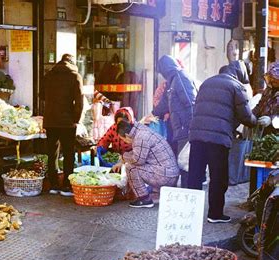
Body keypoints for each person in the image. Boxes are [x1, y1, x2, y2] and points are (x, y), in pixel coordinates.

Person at [187, 61, 271, 223]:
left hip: (196, 135)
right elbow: (245, 115)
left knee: (195, 175)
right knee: (218, 176)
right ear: (239, 74)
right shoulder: (236, 86)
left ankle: (191, 213)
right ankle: (215, 214)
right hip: (218, 138)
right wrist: (255, 121)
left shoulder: (207, 82)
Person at [111, 110, 179, 208]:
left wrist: (123, 157)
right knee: (132, 165)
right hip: (169, 173)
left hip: (166, 176)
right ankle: (152, 193)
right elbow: (139, 154)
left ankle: (144, 199)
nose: (126, 142)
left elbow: (137, 160)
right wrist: (122, 160)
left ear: (126, 135)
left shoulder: (140, 137)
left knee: (131, 167)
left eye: (123, 139)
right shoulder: (140, 130)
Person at [152, 55, 196, 188]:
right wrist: (152, 114)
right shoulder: (172, 81)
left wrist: (190, 127)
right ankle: (184, 192)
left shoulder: (180, 78)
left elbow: (191, 103)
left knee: (185, 163)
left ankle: (187, 193)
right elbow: (164, 104)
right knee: (182, 162)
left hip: (186, 128)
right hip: (180, 128)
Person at [43, 54, 84, 196]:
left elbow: (41, 95)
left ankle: (53, 185)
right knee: (68, 153)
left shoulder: (49, 75)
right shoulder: (75, 76)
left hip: (50, 119)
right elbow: (79, 102)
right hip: (67, 121)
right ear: (72, 62)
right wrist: (76, 119)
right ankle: (67, 185)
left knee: (52, 153)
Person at [253, 62, 278, 136]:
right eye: (271, 78)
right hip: (263, 131)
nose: (273, 81)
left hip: (275, 134)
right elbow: (260, 105)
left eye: (276, 79)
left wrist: (271, 120)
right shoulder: (268, 90)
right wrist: (250, 115)